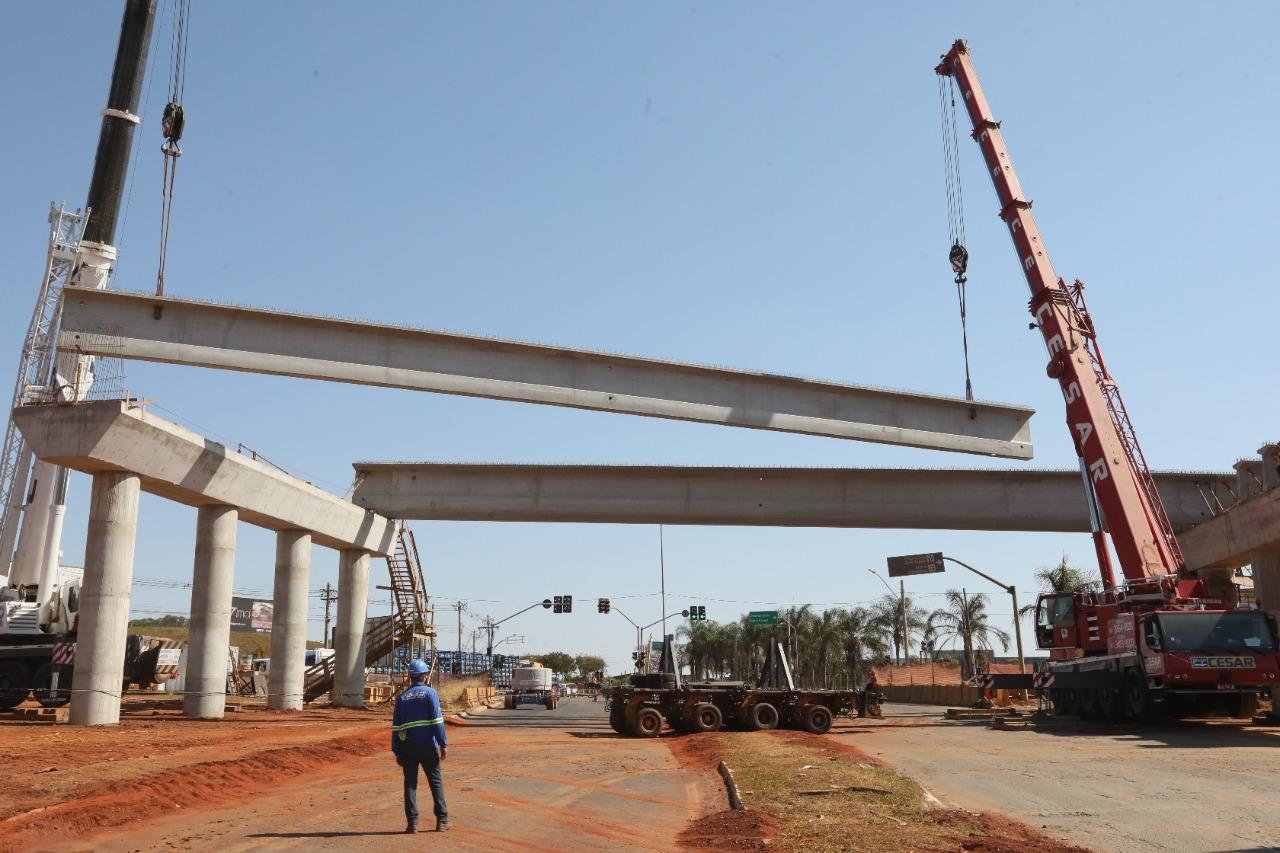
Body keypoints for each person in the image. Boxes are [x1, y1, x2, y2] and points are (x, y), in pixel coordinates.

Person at [392, 659, 449, 833]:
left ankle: (412, 824)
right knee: (435, 782)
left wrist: (397, 751)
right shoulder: (430, 694)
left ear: (410, 677)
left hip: (408, 748)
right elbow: (437, 721)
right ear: (424, 676)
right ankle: (442, 821)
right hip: (427, 746)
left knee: (410, 784)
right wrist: (442, 743)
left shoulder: (401, 698)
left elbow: (396, 727)